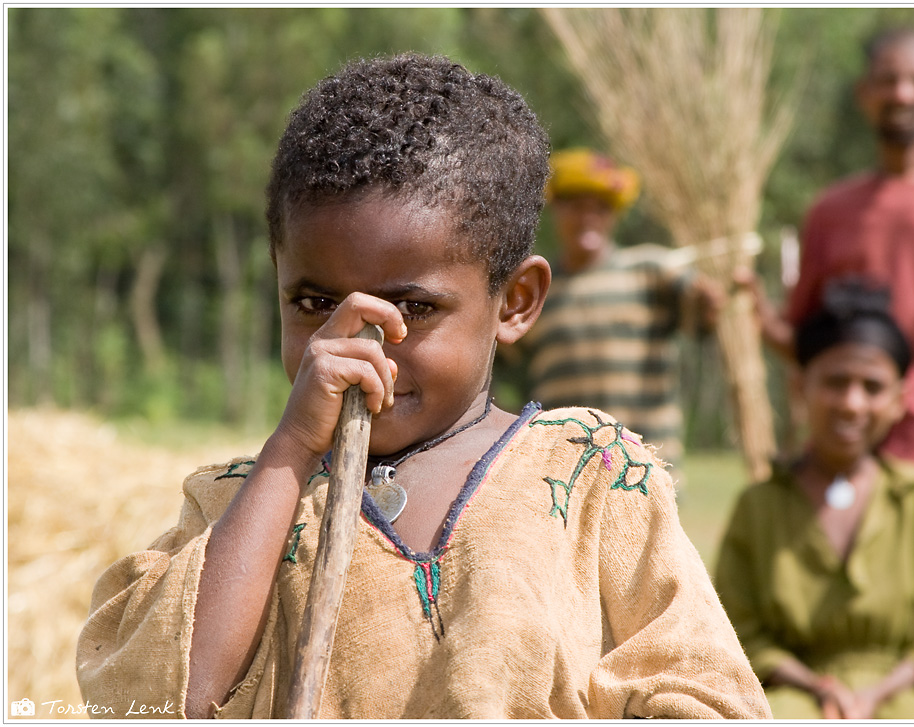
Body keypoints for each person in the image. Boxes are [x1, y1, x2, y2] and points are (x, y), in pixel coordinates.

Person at [76, 54, 770, 720]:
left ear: (516, 301)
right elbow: (167, 698)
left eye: (413, 307)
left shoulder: (592, 479)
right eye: (315, 304)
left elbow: (709, 696)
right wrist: (290, 449)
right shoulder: (237, 501)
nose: (357, 346)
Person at [746, 27, 914, 595]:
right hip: (849, 467)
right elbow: (806, 343)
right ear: (865, 94)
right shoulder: (831, 212)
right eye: (888, 80)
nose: (902, 93)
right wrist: (754, 318)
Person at [715, 280, 914, 720]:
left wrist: (875, 696)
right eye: (836, 382)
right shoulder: (759, 505)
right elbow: (735, 628)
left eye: (872, 387)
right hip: (788, 697)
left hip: (904, 697)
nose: (853, 404)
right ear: (800, 387)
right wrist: (814, 686)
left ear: (899, 401)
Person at [518, 148, 724, 480]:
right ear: (555, 209)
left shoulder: (652, 271)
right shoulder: (535, 286)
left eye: (600, 208)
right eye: (575, 206)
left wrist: (709, 300)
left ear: (614, 214)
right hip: (563, 474)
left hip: (645, 471)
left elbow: (703, 317)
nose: (587, 218)